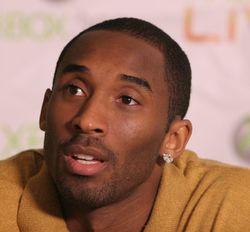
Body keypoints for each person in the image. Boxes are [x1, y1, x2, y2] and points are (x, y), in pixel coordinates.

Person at [0, 17, 250, 232]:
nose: (87, 121)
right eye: (75, 89)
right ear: (45, 109)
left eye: (127, 99)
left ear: (173, 139)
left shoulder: (237, 206)